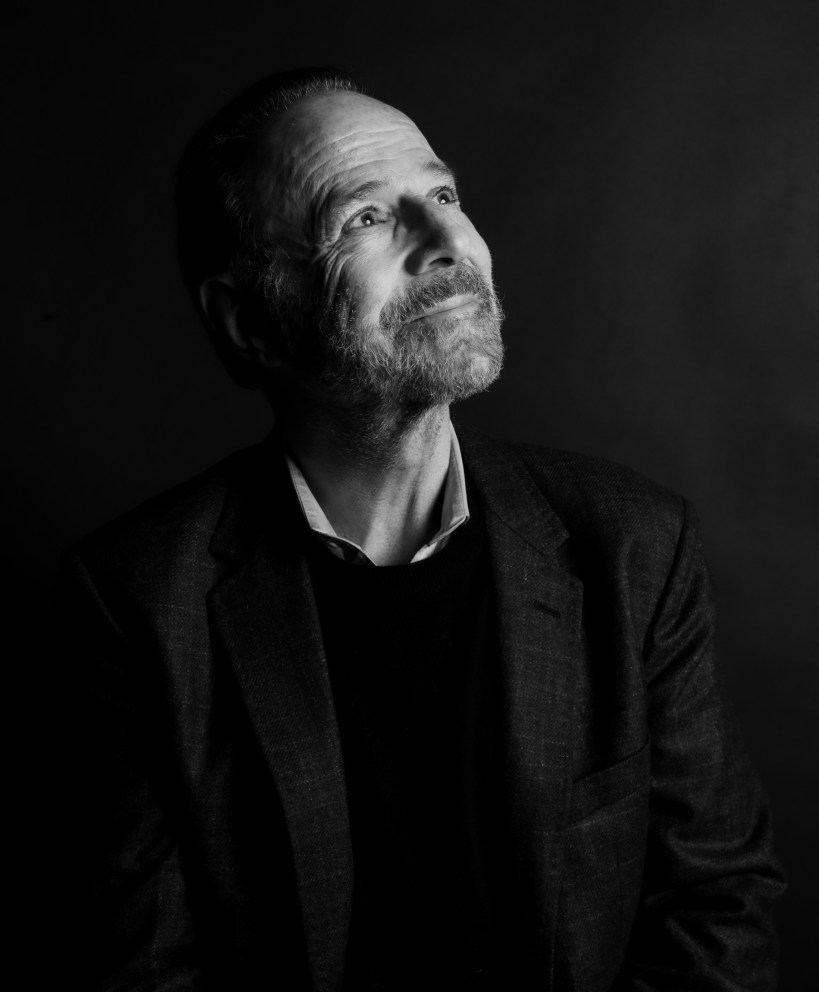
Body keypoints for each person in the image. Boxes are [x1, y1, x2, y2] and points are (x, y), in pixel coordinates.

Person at [52, 68, 785, 991]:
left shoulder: (633, 544)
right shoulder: (134, 602)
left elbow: (715, 906)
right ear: (246, 322)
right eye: (364, 217)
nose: (446, 243)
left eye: (442, 196)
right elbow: (145, 971)